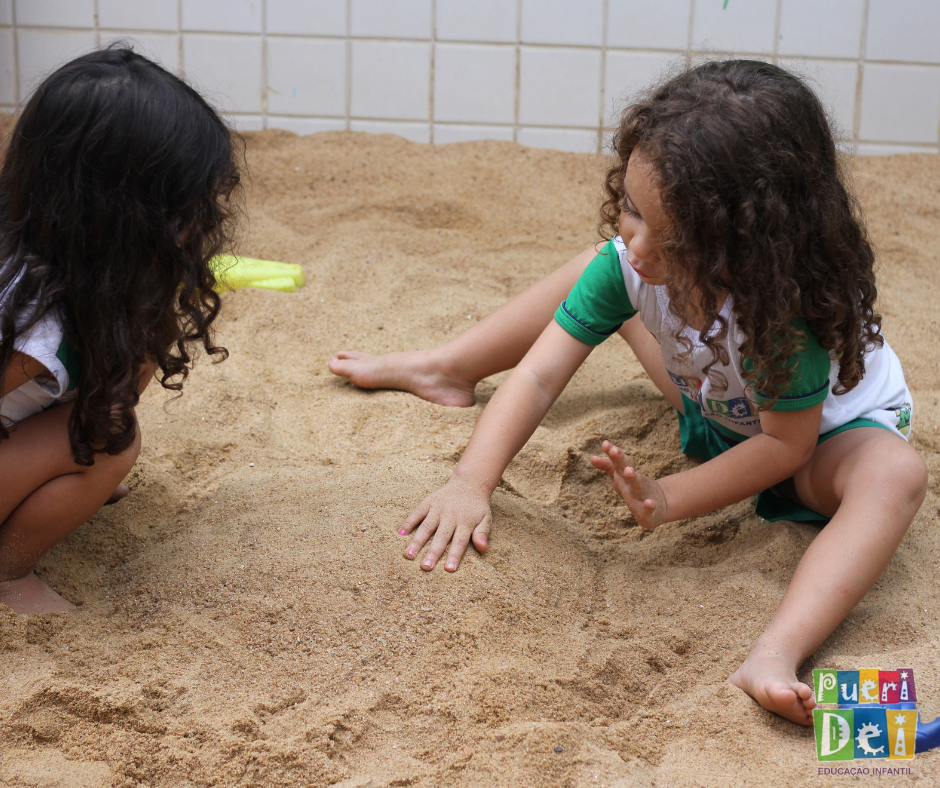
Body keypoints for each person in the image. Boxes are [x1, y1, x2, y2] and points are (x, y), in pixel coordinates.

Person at [329, 60, 928, 726]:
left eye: (669, 239)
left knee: (896, 475)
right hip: (711, 404)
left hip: (818, 445)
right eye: (632, 209)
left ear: (750, 247)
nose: (638, 241)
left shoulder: (783, 314)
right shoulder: (637, 258)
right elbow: (538, 374)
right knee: (601, 270)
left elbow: (786, 447)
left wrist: (670, 498)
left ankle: (775, 653)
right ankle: (449, 367)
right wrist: (472, 480)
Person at [0, 47, 240, 614]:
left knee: (122, 385)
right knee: (112, 443)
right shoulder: (35, 327)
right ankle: (7, 574)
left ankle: (50, 479)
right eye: (185, 204)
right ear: (116, 214)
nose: (206, 216)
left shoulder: (95, 278)